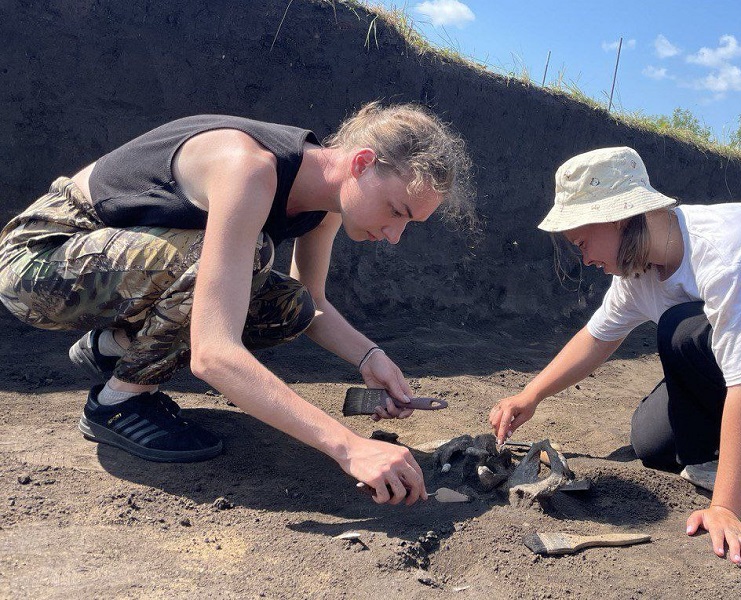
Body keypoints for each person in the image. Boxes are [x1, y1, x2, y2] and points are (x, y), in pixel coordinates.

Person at [0, 103, 473, 506]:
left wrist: (371, 358)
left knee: (290, 304)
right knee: (248, 255)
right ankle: (117, 404)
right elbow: (214, 353)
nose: (393, 236)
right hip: (37, 261)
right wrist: (349, 447)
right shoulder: (248, 167)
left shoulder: (326, 205)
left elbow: (312, 304)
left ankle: (114, 347)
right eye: (396, 211)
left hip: (110, 267)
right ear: (362, 163)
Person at [489, 147, 741, 564]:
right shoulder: (638, 269)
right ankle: (740, 439)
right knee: (652, 442)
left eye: (583, 241)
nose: (586, 257)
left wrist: (725, 509)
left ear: (619, 218)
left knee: (681, 330)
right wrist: (529, 395)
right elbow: (597, 338)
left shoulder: (728, 253)